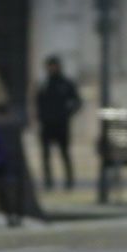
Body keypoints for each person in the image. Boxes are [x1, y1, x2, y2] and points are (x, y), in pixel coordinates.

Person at [35, 56, 80, 190]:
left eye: (53, 65)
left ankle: (69, 181)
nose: (51, 68)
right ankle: (48, 182)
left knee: (64, 153)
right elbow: (38, 102)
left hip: (61, 124)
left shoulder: (66, 83)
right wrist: (41, 117)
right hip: (47, 124)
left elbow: (77, 102)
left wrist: (67, 114)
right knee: (45, 155)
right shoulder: (44, 83)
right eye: (49, 66)